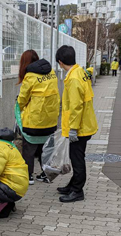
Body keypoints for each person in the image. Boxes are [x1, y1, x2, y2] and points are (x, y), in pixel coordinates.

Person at [55, 45, 98, 203]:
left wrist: (72, 129)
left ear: (60, 62)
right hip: (85, 124)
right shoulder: (79, 71)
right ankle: (73, 185)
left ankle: (77, 191)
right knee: (76, 157)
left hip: (80, 128)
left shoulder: (73, 78)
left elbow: (75, 106)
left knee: (77, 159)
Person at [17, 50, 60, 184]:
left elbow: (22, 99)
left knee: (29, 148)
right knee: (46, 148)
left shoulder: (30, 76)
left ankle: (28, 176)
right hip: (50, 119)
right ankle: (46, 174)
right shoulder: (51, 72)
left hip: (34, 120)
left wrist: (20, 107)